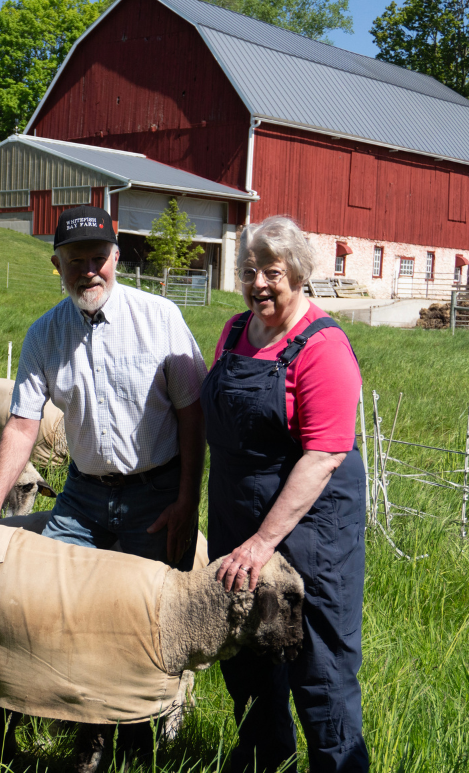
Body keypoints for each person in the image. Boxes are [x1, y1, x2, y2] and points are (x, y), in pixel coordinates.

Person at [0, 205, 206, 570]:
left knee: (155, 610)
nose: (89, 272)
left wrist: (187, 500)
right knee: (44, 589)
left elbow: (193, 414)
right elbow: (21, 425)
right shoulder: (43, 335)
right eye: (75, 261)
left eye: (99, 258)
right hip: (84, 498)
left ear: (116, 256)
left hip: (155, 493)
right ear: (57, 265)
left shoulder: (160, 318)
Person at [202, 215, 368, 772]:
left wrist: (263, 542)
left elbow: (323, 455)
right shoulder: (231, 333)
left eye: (273, 272)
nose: (260, 284)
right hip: (235, 523)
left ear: (297, 274)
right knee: (247, 660)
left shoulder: (323, 347)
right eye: (250, 271)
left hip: (309, 535)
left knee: (319, 671)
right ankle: (266, 763)